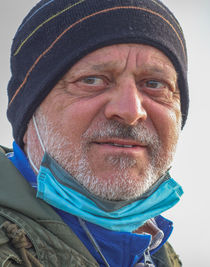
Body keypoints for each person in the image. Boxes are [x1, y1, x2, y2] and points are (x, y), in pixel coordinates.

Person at [0, 0, 188, 266]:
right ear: (29, 110)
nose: (131, 111)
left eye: (154, 84)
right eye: (92, 80)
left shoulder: (155, 250)